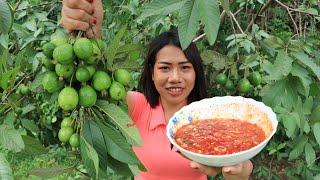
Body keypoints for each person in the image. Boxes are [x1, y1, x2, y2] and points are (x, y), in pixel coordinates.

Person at [60, 1, 253, 180]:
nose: (175, 77)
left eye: (185, 67)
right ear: (152, 73)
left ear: (197, 73)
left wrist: (238, 169)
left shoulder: (206, 116)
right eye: (165, 68)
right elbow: (93, 91)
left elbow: (242, 164)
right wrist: (90, 35)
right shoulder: (137, 107)